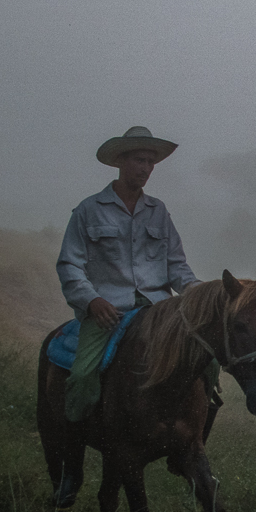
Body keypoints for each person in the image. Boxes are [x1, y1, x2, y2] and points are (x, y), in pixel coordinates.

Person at [56, 125, 200, 423]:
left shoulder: (159, 211)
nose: (146, 168)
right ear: (121, 161)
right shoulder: (89, 210)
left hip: (159, 310)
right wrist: (92, 301)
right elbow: (70, 265)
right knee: (82, 375)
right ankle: (72, 440)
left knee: (204, 366)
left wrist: (198, 293)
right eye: (139, 160)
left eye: (150, 162)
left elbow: (176, 265)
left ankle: (193, 443)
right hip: (108, 313)